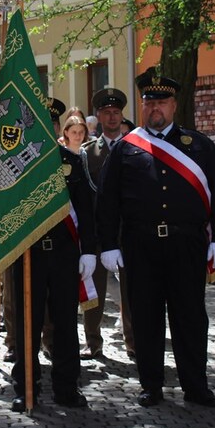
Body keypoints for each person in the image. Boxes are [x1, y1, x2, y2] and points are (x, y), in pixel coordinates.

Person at [97, 69, 215, 409]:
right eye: (149, 102)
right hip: (140, 245)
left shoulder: (198, 146)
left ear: (174, 105)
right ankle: (151, 384)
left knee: (189, 315)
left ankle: (196, 385)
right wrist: (109, 245)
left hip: (186, 244)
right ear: (143, 106)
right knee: (146, 317)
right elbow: (107, 200)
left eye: (161, 102)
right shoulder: (126, 148)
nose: (155, 108)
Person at [10, 132, 97, 413]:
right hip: (27, 254)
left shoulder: (70, 162)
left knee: (65, 323)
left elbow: (85, 209)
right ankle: (26, 388)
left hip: (63, 253)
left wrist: (89, 251)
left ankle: (67, 388)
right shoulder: (16, 164)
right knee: (27, 323)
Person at [80, 87, 136, 361]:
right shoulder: (86, 153)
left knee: (132, 293)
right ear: (99, 116)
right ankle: (93, 341)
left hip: (129, 232)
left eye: (116, 113)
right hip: (98, 233)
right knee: (94, 293)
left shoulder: (135, 149)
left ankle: (134, 342)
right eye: (107, 113)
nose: (112, 118)